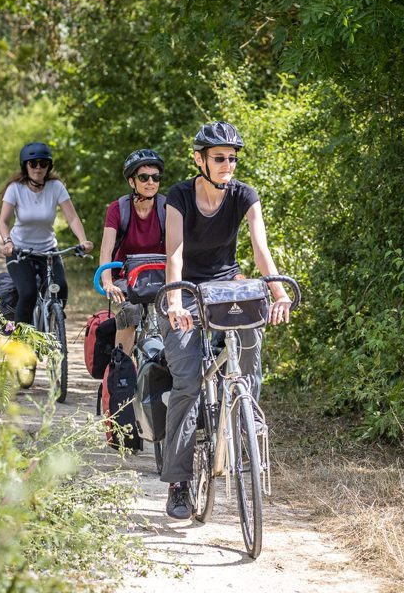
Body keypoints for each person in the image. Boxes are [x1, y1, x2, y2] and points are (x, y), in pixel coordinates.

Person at [161, 121, 293, 519]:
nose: (227, 164)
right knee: (186, 381)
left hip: (225, 289)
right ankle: (179, 483)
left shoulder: (244, 195)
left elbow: (260, 248)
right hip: (187, 290)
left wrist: (279, 292)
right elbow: (174, 255)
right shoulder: (179, 196)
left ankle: (245, 423)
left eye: (232, 158)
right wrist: (174, 301)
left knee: (250, 349)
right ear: (199, 159)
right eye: (219, 158)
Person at [0, 142, 94, 325]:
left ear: (49, 166)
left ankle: (51, 325)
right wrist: (7, 242)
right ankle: (21, 345)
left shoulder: (56, 187)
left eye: (43, 163)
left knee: (61, 290)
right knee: (28, 293)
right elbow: (3, 221)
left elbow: (72, 218)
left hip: (49, 250)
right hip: (20, 251)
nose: (38, 168)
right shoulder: (15, 189)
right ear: (25, 166)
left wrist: (83, 241)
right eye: (33, 163)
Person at [99, 149, 166, 354]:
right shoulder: (118, 209)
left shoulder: (167, 207)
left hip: (161, 276)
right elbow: (106, 249)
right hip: (126, 277)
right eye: (144, 177)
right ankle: (122, 369)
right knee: (131, 310)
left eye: (156, 177)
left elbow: (178, 247)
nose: (150, 182)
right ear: (131, 182)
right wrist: (108, 281)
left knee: (178, 314)